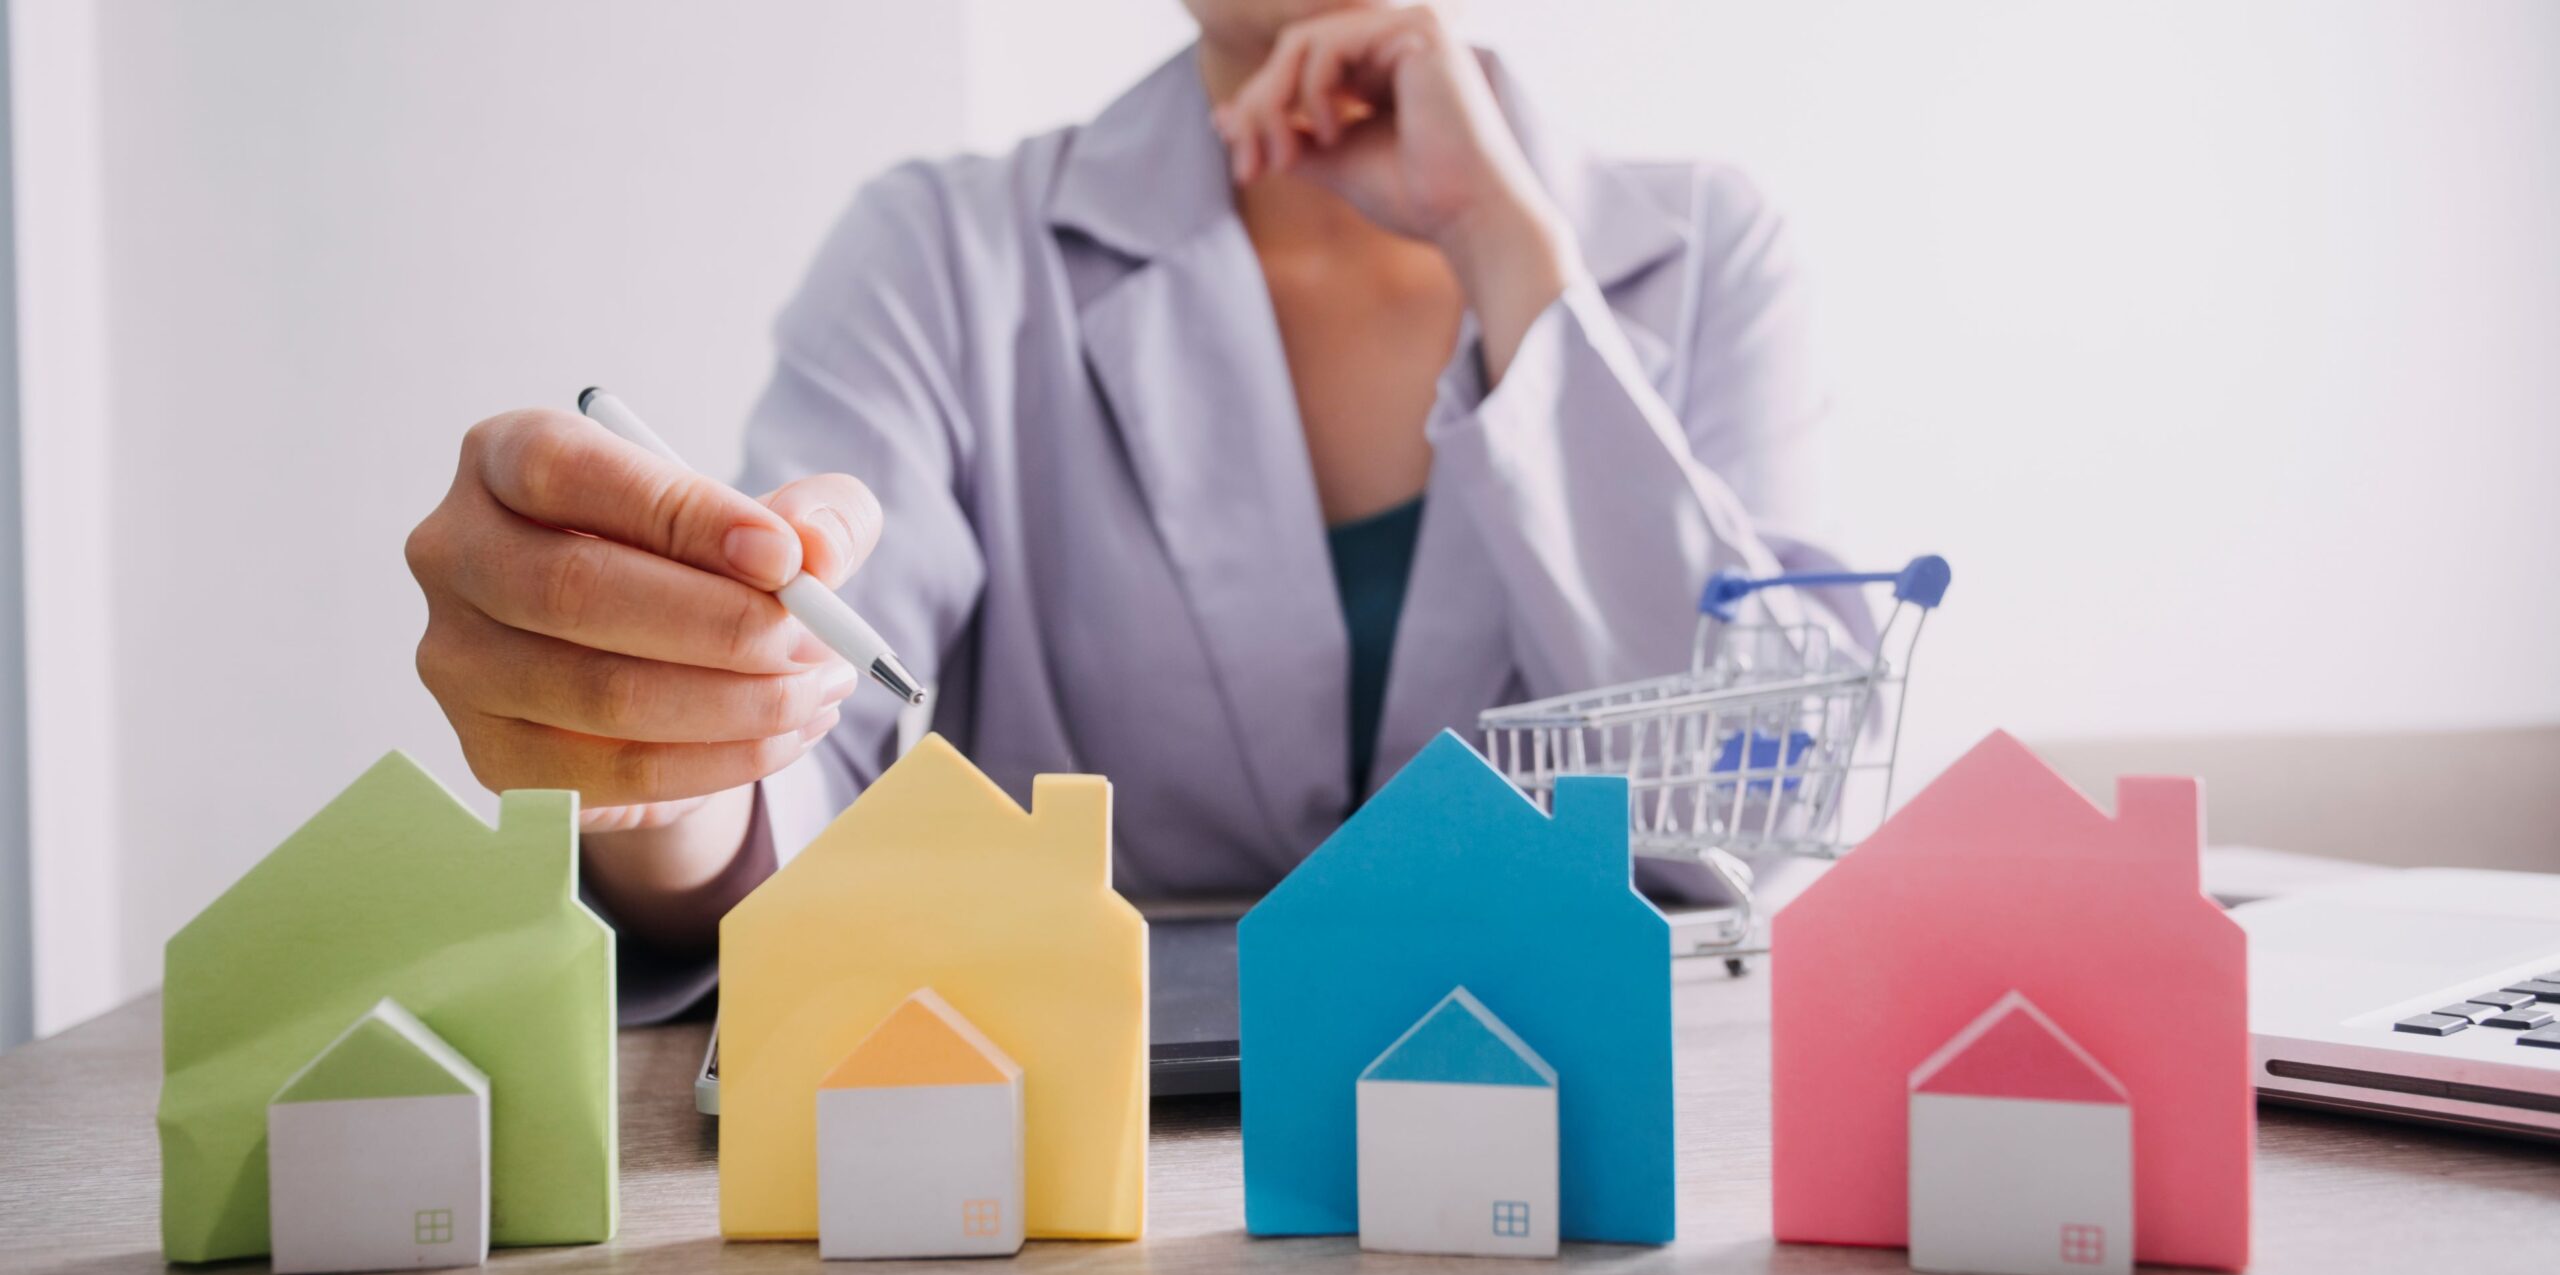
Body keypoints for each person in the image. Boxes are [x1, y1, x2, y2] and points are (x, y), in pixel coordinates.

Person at [403, 1, 1860, 1018]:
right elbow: (801, 771)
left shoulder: (1710, 250)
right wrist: (664, 761)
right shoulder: (940, 257)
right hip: (1077, 1195)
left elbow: (1760, 802)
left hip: (1593, 1151)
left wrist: (1505, 244)